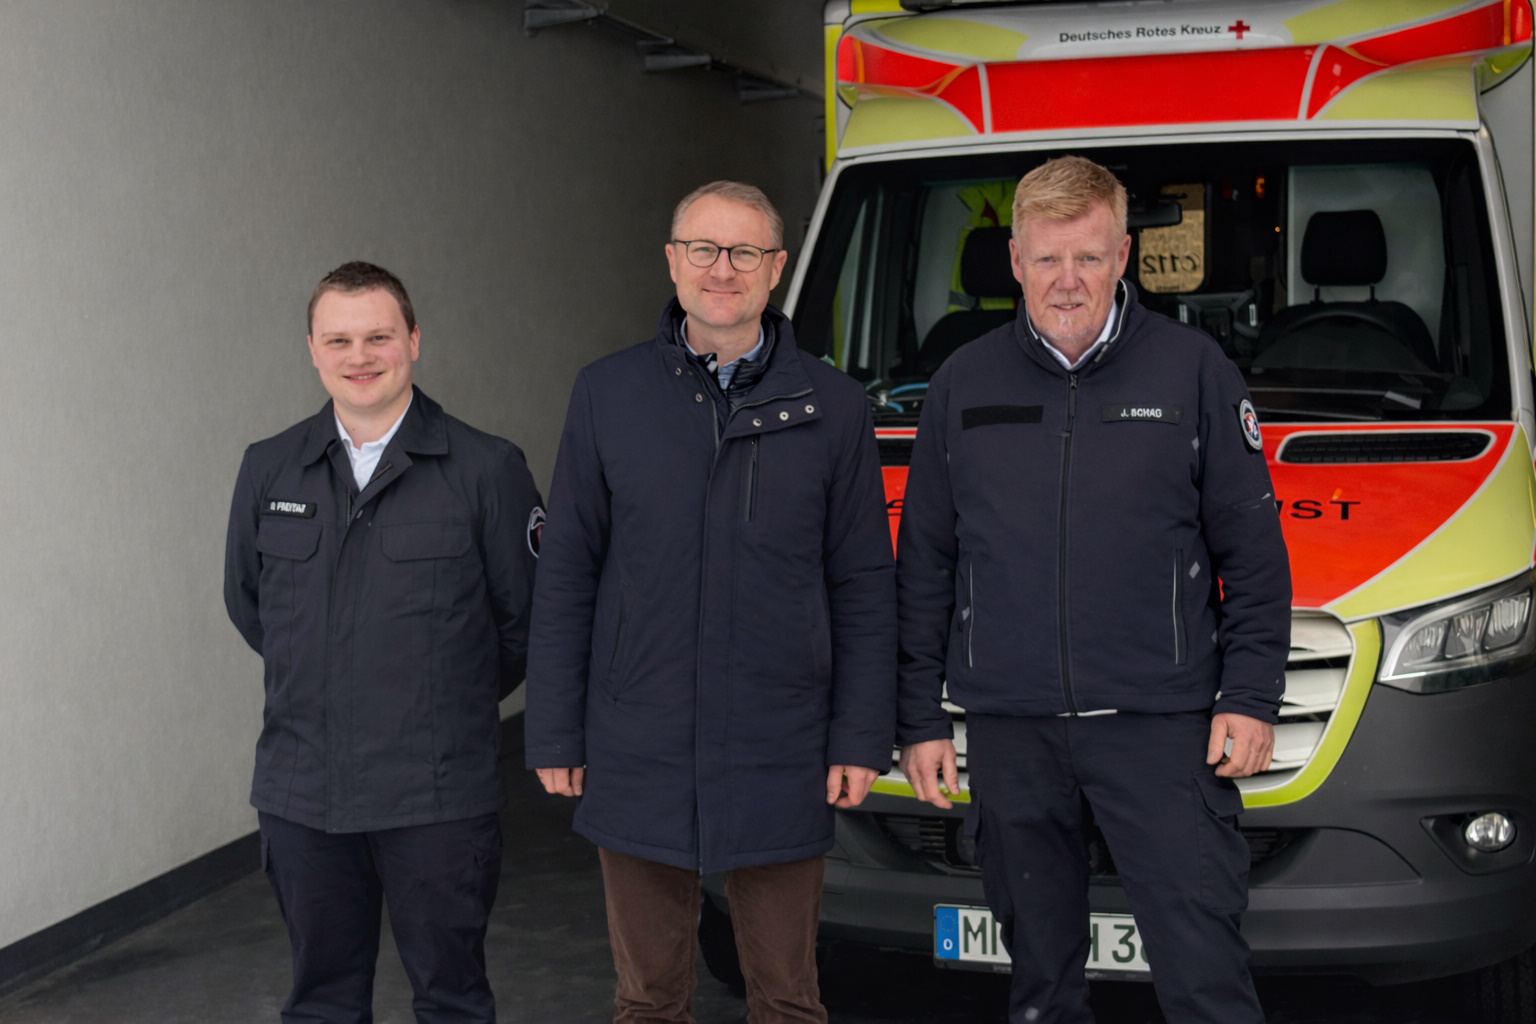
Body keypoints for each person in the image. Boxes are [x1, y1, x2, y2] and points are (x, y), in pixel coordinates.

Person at [896, 156, 1291, 1024]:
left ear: (1122, 258)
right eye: (1047, 259)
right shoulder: (962, 384)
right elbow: (924, 562)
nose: (1067, 281)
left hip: (1161, 734)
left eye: (1087, 257)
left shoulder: (1193, 372)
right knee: (1040, 985)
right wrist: (919, 718)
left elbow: (1255, 557)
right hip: (1012, 735)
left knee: (1204, 976)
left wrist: (1253, 694)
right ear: (1015, 261)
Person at [525, 181, 896, 1024]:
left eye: (744, 253)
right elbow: (570, 570)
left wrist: (860, 735)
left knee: (786, 998)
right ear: (672, 261)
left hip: (783, 745)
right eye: (702, 249)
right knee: (649, 998)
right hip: (638, 740)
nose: (720, 269)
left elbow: (864, 586)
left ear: (776, 271)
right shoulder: (607, 394)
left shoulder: (834, 409)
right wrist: (553, 728)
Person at [223, 261, 542, 1024]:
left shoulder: (486, 469)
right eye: (339, 338)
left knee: (452, 1001)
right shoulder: (270, 467)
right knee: (321, 1000)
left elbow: (525, 623)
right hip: (304, 794)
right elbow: (250, 605)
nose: (359, 355)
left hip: (434, 796)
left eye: (378, 336)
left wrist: (433, 696)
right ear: (311, 349)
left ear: (415, 341)